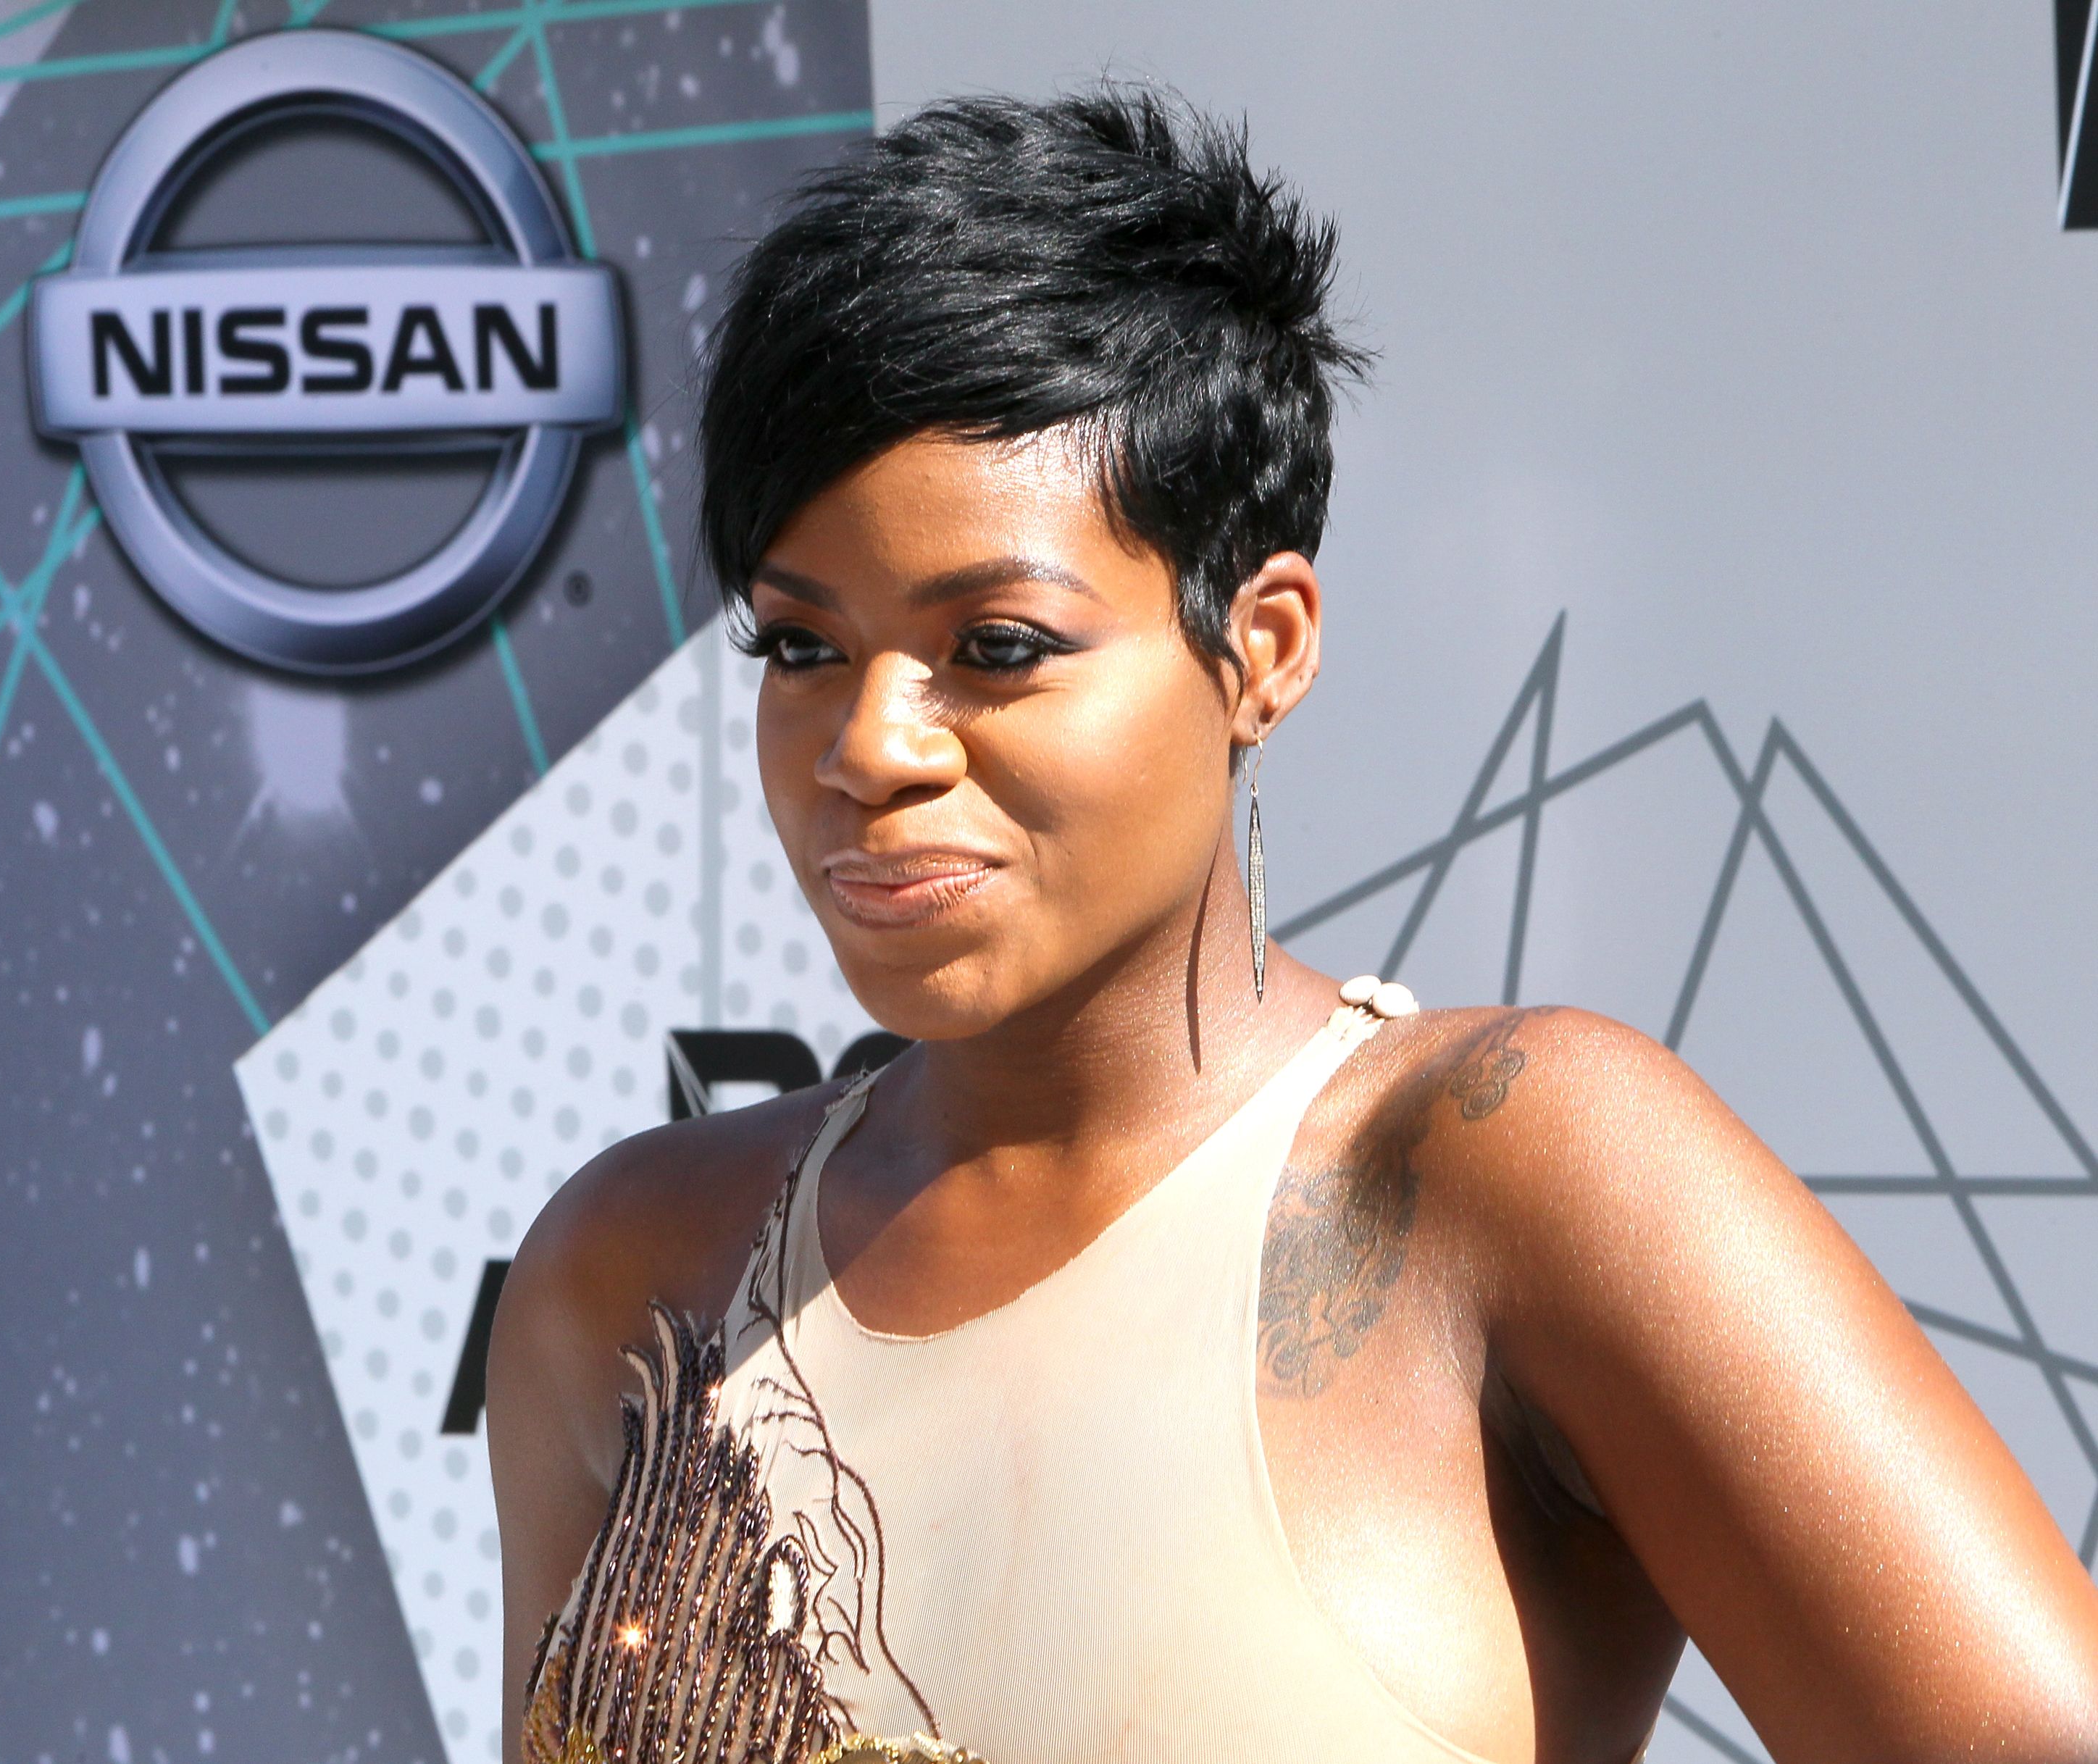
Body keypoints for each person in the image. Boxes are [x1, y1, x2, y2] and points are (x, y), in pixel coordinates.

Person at [487, 88, 2098, 1764]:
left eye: (999, 647)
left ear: (1258, 647)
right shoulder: (628, 1275)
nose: (870, 749)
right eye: (802, 648)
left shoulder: (1518, 1175)